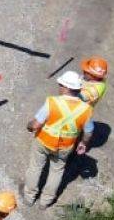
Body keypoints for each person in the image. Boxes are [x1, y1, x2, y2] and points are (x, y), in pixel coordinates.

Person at [23, 71, 94, 207]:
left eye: (60, 85)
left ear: (66, 87)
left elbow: (36, 124)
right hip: (65, 147)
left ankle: (29, 197)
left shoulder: (52, 102)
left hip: (43, 142)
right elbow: (89, 132)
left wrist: (29, 126)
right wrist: (83, 143)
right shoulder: (86, 109)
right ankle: (45, 201)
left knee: (35, 168)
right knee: (57, 171)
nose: (59, 87)